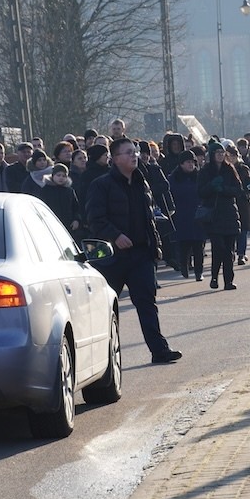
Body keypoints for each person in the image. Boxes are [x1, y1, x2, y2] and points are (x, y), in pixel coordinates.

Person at [84, 138, 182, 364]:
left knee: (147, 303)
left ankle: (159, 350)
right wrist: (115, 236)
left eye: (135, 151)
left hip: (141, 255)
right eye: (128, 152)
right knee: (106, 308)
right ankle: (100, 358)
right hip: (112, 258)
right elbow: (95, 219)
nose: (134, 155)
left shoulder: (141, 182)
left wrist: (155, 245)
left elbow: (149, 219)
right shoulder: (102, 185)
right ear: (114, 158)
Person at [198, 141, 244, 290]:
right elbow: (200, 192)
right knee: (219, 248)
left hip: (229, 213)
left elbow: (237, 189)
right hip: (213, 215)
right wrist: (212, 186)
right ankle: (214, 277)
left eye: (222, 152)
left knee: (229, 250)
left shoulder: (229, 169)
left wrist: (223, 189)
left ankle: (228, 281)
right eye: (217, 152)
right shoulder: (205, 171)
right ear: (211, 154)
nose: (220, 155)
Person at [168, 150, 206, 280]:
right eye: (188, 162)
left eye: (193, 162)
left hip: (198, 215)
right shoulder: (173, 178)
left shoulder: (200, 176)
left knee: (198, 247)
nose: (191, 165)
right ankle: (184, 267)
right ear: (181, 164)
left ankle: (198, 272)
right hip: (181, 216)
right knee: (183, 246)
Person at [227, 144, 250, 264]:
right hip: (229, 202)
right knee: (231, 230)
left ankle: (241, 254)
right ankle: (231, 253)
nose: (231, 159)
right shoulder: (224, 169)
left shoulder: (243, 168)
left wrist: (247, 191)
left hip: (243, 202)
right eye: (229, 156)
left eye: (233, 156)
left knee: (243, 229)